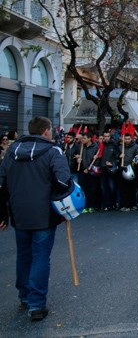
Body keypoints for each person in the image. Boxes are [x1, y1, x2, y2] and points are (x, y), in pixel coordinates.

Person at [0, 117, 73, 321]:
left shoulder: (11, 152)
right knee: (40, 256)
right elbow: (63, 180)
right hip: (44, 213)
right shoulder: (52, 152)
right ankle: (36, 304)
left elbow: (1, 184)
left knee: (24, 255)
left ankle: (24, 296)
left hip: (19, 213)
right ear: (47, 131)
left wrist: (3, 213)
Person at [119, 132, 138, 211]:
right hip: (123, 168)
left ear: (131, 139)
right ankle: (125, 204)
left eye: (128, 139)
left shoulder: (135, 147)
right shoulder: (121, 147)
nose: (127, 140)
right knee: (123, 188)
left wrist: (134, 162)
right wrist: (120, 156)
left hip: (132, 169)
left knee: (132, 188)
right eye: (126, 139)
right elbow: (116, 157)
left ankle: (133, 204)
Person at [99, 131, 120, 211]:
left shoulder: (113, 145)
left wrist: (112, 163)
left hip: (111, 169)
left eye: (107, 136)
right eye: (105, 136)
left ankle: (113, 203)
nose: (106, 138)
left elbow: (117, 157)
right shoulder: (101, 145)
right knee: (103, 188)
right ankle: (106, 204)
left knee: (112, 187)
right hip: (103, 169)